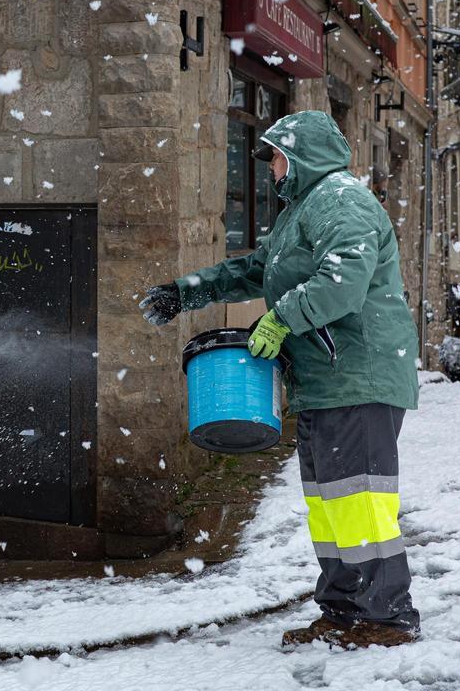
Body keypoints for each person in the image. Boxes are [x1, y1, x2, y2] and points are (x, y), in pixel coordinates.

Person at [139, 110, 421, 649]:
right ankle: (342, 612)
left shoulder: (342, 201)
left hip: (357, 377)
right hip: (323, 382)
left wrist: (281, 317)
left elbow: (342, 281)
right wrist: (185, 291)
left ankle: (386, 617)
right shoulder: (300, 213)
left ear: (301, 154)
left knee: (360, 503)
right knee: (330, 504)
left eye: (275, 156)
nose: (270, 167)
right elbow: (254, 270)